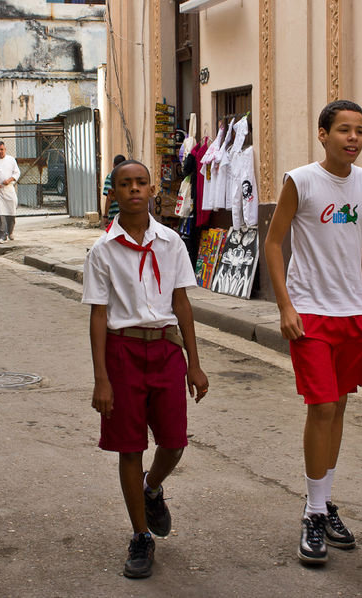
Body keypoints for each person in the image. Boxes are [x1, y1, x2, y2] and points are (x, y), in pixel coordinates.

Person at [263, 100, 362, 565]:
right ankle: (314, 514)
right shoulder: (302, 181)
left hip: (352, 313)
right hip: (310, 314)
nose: (353, 138)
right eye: (343, 130)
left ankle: (323, 499)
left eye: (359, 131)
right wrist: (285, 305)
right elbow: (273, 243)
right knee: (320, 408)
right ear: (323, 134)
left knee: (337, 409)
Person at [82, 159, 209, 579]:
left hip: (166, 350)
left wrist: (195, 364)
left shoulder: (171, 242)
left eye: (140, 182)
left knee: (174, 442)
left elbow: (182, 303)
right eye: (124, 184)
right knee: (129, 446)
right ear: (114, 192)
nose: (133, 189)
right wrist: (102, 378)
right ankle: (140, 535)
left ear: (152, 190)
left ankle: (151, 488)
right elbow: (98, 315)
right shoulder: (103, 250)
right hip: (123, 353)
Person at [101, 154, 126, 226]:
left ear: (113, 165)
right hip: (127, 214)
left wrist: (105, 215)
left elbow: (109, 198)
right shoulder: (129, 177)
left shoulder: (110, 177)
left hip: (114, 215)